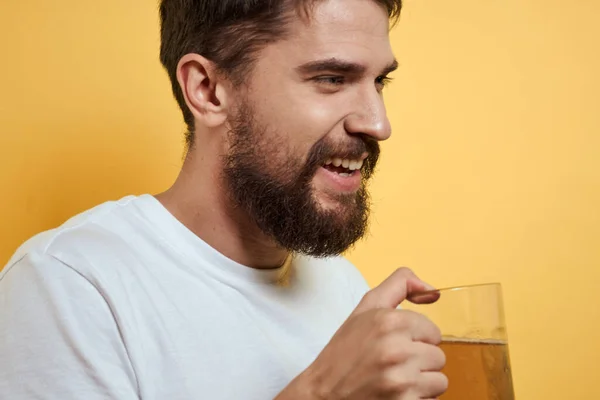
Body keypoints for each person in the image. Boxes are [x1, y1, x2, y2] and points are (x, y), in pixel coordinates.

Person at [0, 0, 448, 399]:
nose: (378, 123)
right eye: (332, 78)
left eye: (380, 82)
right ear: (209, 90)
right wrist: (319, 393)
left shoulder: (344, 289)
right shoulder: (69, 285)